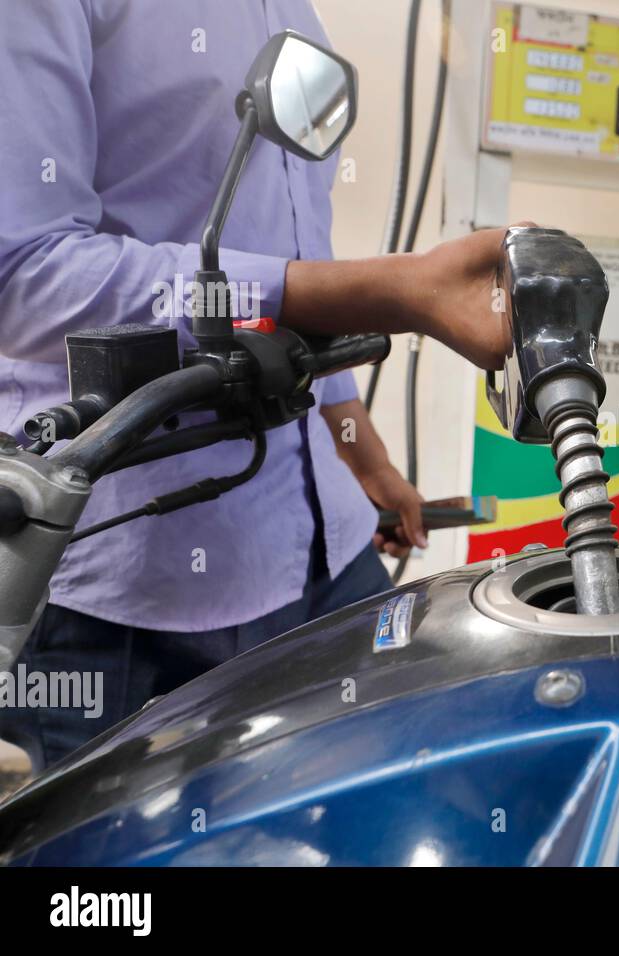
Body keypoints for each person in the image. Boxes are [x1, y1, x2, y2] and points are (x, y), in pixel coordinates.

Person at [0, 1, 510, 766]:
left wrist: (362, 455)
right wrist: (390, 290)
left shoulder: (290, 11)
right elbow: (24, 273)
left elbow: (300, 238)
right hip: (143, 580)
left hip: (322, 550)